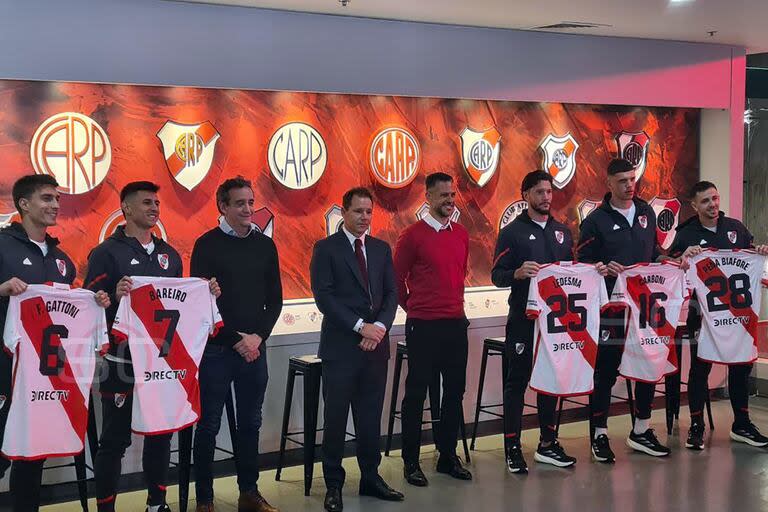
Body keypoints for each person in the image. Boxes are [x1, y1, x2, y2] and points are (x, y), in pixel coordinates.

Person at [87, 181, 220, 512]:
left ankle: (156, 504)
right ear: (127, 209)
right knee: (114, 441)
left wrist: (206, 293)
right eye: (147, 202)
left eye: (157, 203)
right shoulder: (105, 253)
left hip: (162, 363)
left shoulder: (169, 255)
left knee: (160, 433)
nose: (154, 208)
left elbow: (180, 305)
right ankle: (106, 508)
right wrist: (113, 298)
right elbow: (90, 308)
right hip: (120, 362)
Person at [0, 174, 109, 511]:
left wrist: (95, 300)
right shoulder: (2, 245)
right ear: (24, 204)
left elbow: (67, 312)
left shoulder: (62, 259)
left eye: (57, 199)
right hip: (4, 368)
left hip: (43, 375)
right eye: (47, 198)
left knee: (33, 454)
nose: (55, 205)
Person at [492, 170, 605, 473]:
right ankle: (512, 447)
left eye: (549, 192)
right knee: (516, 382)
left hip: (556, 324)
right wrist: (516, 273)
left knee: (551, 378)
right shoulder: (512, 232)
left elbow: (572, 272)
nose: (546, 197)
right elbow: (497, 275)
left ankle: (547, 444)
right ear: (525, 195)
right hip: (523, 320)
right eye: (539, 192)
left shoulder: (563, 232)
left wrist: (595, 270)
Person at [191, 176, 283, 512]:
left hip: (254, 350)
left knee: (251, 423)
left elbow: (275, 301)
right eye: (240, 203)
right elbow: (202, 303)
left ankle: (249, 493)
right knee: (209, 427)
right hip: (217, 350)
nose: (247, 209)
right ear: (223, 206)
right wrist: (236, 340)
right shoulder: (206, 244)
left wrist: (258, 338)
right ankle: (205, 500)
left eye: (250, 203)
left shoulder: (265, 245)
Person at [310, 187, 402, 512]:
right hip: (341, 349)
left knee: (369, 419)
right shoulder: (326, 249)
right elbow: (325, 298)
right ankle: (333, 484)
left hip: (375, 349)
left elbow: (392, 294)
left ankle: (370, 477)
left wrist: (379, 329)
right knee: (335, 420)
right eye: (358, 211)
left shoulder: (380, 249)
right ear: (344, 212)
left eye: (368, 212)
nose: (364, 218)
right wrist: (360, 326)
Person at [578, 158, 669, 462]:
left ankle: (641, 430)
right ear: (609, 184)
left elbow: (654, 252)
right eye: (622, 181)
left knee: (646, 364)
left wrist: (670, 262)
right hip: (611, 308)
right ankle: (600, 434)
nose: (629, 185)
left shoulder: (646, 212)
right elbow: (582, 263)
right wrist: (600, 267)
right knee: (605, 371)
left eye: (632, 179)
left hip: (644, 306)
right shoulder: (595, 221)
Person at [668, 180, 768, 450]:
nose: (712, 205)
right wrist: (682, 258)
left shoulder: (735, 228)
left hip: (737, 315)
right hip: (702, 314)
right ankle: (697, 426)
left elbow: (751, 256)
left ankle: (742, 424)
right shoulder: (686, 233)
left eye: (714, 198)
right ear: (694, 206)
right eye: (705, 201)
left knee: (740, 366)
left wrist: (758, 252)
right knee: (700, 369)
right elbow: (670, 267)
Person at [394, 172, 471, 486]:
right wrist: (415, 307)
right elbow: (397, 281)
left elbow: (459, 273)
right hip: (423, 325)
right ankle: (410, 460)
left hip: (455, 323)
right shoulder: (412, 236)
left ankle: (447, 455)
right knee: (417, 394)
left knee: (454, 392)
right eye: (443, 196)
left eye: (452, 196)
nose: (449, 201)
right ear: (427, 198)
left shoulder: (462, 234)